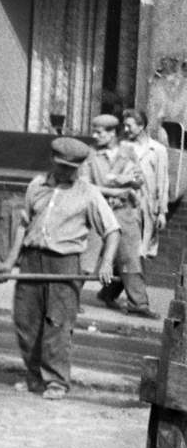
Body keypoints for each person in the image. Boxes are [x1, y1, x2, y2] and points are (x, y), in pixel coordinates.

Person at [0, 137, 120, 399]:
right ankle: (34, 377)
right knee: (25, 321)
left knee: (58, 324)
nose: (68, 173)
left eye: (73, 168)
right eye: (63, 166)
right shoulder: (36, 185)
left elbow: (112, 230)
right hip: (31, 261)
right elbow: (23, 226)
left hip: (64, 264)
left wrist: (106, 262)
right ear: (53, 161)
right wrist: (9, 262)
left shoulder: (88, 193)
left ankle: (56, 382)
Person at [81, 114, 152, 317]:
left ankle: (138, 304)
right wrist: (115, 189)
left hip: (124, 211)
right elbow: (86, 186)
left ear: (113, 133)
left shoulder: (128, 151)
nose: (95, 136)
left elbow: (138, 180)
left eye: (99, 132)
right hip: (97, 213)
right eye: (94, 131)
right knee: (87, 259)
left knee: (130, 257)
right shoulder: (90, 155)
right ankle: (70, 300)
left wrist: (130, 179)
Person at [123, 108, 170, 260]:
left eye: (129, 126)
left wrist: (162, 212)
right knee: (127, 249)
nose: (125, 129)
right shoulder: (124, 147)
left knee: (143, 250)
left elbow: (162, 182)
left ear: (141, 125)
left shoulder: (158, 150)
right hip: (128, 203)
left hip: (149, 207)